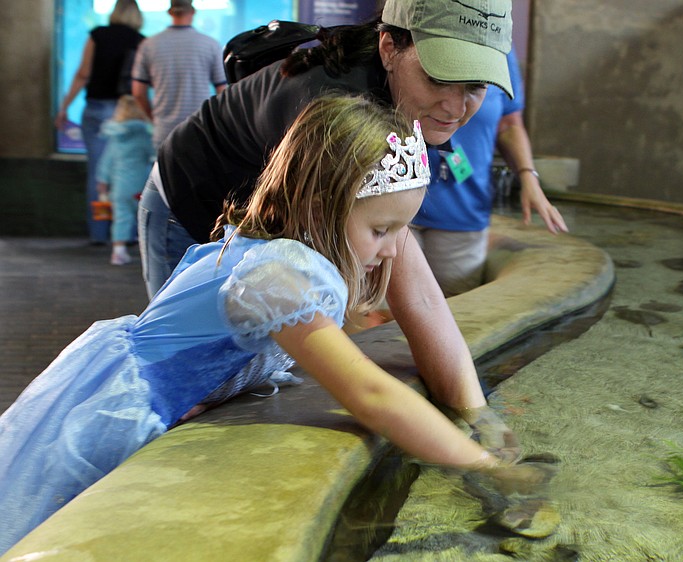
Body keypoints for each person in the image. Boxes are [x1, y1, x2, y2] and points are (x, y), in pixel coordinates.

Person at [0, 96, 541, 556]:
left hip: (118, 387)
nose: (395, 249)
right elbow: (372, 395)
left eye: (403, 229)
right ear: (319, 204)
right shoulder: (281, 275)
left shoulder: (264, 249)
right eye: (381, 228)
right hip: (109, 414)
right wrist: (487, 466)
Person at [137, 0, 526, 300]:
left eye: (476, 87)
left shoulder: (411, 101)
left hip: (266, 214)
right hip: (190, 198)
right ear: (388, 47)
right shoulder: (334, 110)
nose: (456, 110)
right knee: (190, 368)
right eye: (439, 77)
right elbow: (399, 292)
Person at [411, 50, 568, 296]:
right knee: (378, 316)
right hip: (398, 203)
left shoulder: (502, 52)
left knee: (455, 311)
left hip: (463, 209)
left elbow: (509, 122)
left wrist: (528, 177)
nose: (454, 106)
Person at [54, 0, 145, 245]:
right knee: (131, 171)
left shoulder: (98, 35)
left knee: (98, 172)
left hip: (95, 108)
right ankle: (128, 234)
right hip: (124, 111)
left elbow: (83, 73)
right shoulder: (140, 41)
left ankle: (99, 233)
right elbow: (140, 84)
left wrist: (64, 107)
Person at [131, 0, 227, 149]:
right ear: (193, 11)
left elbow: (138, 93)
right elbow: (222, 92)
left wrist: (154, 119)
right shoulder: (210, 44)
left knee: (164, 172)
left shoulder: (148, 45)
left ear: (169, 12)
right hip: (200, 128)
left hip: (164, 130)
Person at [95, 95, 155, 265]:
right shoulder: (143, 134)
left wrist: (102, 182)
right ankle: (147, 252)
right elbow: (152, 154)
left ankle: (118, 251)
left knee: (121, 217)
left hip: (119, 185)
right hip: (139, 184)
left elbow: (107, 161)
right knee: (144, 219)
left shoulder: (115, 137)